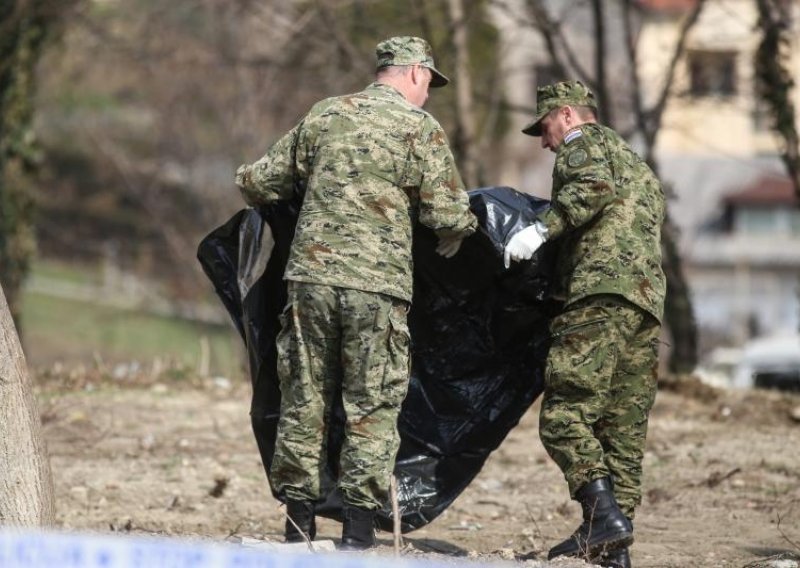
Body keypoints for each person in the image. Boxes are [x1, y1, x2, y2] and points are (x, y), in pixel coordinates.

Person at [234, 36, 477, 550]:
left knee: (305, 396)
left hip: (311, 281)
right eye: (430, 83)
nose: (428, 94)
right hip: (377, 287)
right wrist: (463, 234)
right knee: (371, 406)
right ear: (414, 73)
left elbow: (258, 181)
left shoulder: (325, 115)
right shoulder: (420, 129)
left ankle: (298, 524)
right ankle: (359, 532)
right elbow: (446, 215)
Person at [505, 80, 666, 568]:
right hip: (643, 305)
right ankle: (615, 550)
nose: (545, 140)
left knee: (565, 416)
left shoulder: (584, 146)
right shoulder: (635, 161)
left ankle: (602, 520)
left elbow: (591, 189)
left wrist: (540, 230)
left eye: (547, 126)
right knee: (622, 428)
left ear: (569, 116)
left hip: (597, 297)